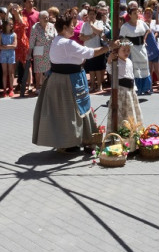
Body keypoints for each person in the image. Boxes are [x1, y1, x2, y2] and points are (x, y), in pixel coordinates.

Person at [32, 11, 113, 152]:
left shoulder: (56, 41)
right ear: (63, 28)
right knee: (71, 113)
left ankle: (66, 142)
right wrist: (109, 47)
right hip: (68, 80)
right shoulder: (67, 43)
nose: (73, 28)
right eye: (71, 25)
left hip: (57, 79)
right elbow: (90, 53)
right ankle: (68, 143)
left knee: (62, 114)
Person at [119, 2, 152, 95]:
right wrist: (128, 45)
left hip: (142, 48)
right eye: (134, 13)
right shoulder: (125, 26)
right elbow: (121, 38)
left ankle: (145, 88)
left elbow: (148, 30)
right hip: (132, 50)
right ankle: (135, 88)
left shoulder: (142, 23)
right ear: (129, 15)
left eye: (138, 12)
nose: (137, 15)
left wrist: (144, 39)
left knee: (144, 67)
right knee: (133, 68)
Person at [29, 8, 58, 83]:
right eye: (44, 17)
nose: (46, 19)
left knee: (48, 70)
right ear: (39, 19)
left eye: (47, 17)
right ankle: (38, 87)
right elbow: (31, 41)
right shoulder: (35, 27)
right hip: (39, 50)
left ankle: (47, 86)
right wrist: (29, 53)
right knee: (38, 70)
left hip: (50, 50)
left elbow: (56, 38)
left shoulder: (52, 26)